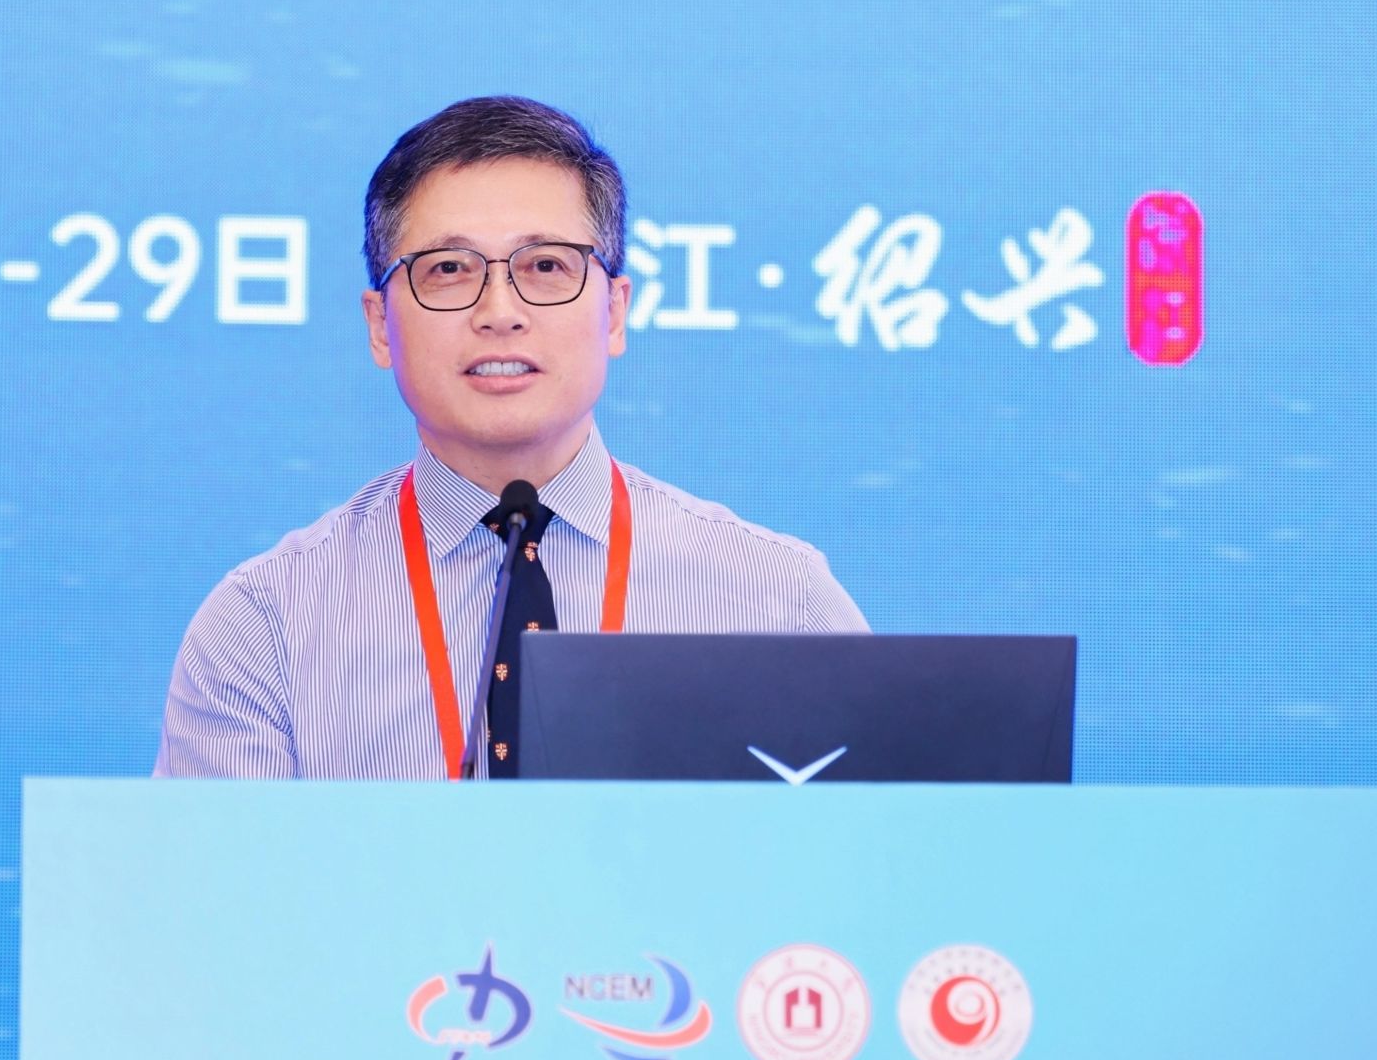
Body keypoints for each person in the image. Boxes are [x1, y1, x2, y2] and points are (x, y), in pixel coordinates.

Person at [154, 95, 867, 780]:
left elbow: (872, 852)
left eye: (546, 266)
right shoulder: (267, 625)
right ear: (380, 327)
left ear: (614, 312)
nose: (500, 311)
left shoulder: (777, 601)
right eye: (449, 270)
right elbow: (214, 868)